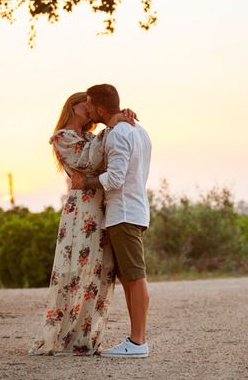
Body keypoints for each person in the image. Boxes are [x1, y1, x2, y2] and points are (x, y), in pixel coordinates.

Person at [29, 91, 134, 356]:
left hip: (102, 204)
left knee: (100, 271)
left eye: (91, 104)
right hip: (82, 210)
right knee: (77, 269)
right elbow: (86, 161)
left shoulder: (92, 136)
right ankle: (65, 336)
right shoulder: (63, 138)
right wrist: (113, 125)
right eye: (85, 104)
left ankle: (85, 337)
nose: (89, 108)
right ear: (73, 107)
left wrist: (121, 122)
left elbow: (109, 159)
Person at [71, 84, 152, 359]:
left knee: (135, 277)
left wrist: (86, 182)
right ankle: (136, 340)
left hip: (124, 212)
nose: (89, 109)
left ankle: (138, 342)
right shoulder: (138, 130)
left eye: (91, 105)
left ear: (101, 109)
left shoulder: (118, 134)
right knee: (130, 277)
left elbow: (115, 179)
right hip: (133, 210)